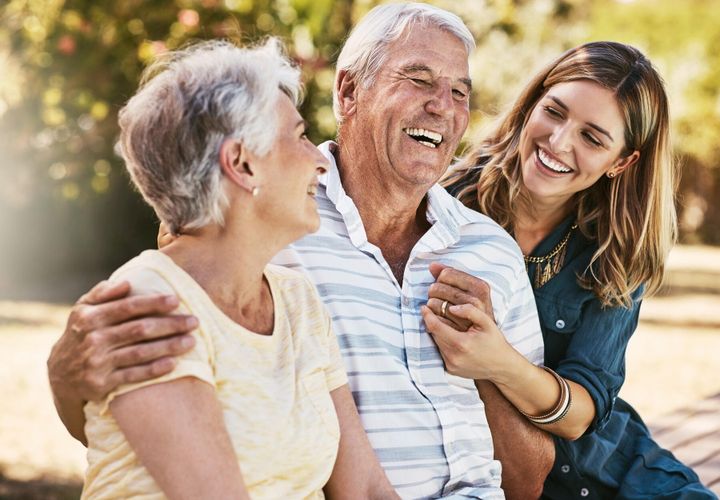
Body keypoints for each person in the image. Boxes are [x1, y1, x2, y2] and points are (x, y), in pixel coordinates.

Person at [48, 4, 556, 498]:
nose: (443, 106)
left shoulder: (297, 297)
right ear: (349, 91)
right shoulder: (201, 277)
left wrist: (492, 364)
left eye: (459, 91)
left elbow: (374, 488)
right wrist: (66, 374)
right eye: (419, 80)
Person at [75, 38, 395, 499]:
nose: (320, 159)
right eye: (301, 137)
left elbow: (364, 489)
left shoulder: (297, 301)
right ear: (242, 164)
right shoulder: (149, 303)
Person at [425, 41, 717, 498]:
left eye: (592, 137)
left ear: (622, 162)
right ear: (532, 104)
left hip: (617, 474)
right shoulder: (445, 204)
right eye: (555, 113)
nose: (558, 143)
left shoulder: (617, 250)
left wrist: (497, 362)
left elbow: (583, 413)